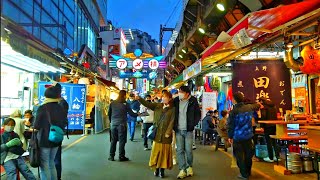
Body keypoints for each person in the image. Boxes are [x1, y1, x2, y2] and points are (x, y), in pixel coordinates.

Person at [136, 91, 175, 178]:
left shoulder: (172, 109)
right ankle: (156, 169)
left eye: (166, 97)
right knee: (156, 153)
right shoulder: (157, 106)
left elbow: (172, 121)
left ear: (170, 99)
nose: (164, 98)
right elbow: (147, 104)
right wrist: (140, 99)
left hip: (166, 136)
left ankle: (162, 171)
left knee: (164, 155)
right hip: (157, 135)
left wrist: (168, 132)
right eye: (163, 97)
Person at [34, 85, 67, 180]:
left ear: (46, 96)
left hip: (45, 139)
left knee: (44, 165)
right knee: (51, 163)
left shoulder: (42, 108)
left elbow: (36, 125)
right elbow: (64, 122)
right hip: (56, 139)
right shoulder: (61, 108)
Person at [228, 92, 261, 179]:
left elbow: (231, 125)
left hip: (237, 137)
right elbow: (257, 105)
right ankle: (248, 172)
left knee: (239, 157)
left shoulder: (233, 111)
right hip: (248, 136)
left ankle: (244, 174)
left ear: (234, 100)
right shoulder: (249, 107)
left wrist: (230, 136)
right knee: (248, 156)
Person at [173, 86, 201, 179]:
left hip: (188, 130)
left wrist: (193, 124)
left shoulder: (193, 101)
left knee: (188, 150)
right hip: (178, 129)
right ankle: (182, 169)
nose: (179, 93)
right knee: (179, 150)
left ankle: (189, 166)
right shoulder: (176, 100)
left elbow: (197, 114)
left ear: (187, 93)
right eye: (179, 91)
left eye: (181, 92)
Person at [108, 90, 139, 161]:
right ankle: (121, 156)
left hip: (113, 124)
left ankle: (111, 156)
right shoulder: (125, 104)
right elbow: (131, 114)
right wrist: (138, 114)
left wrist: (111, 122)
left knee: (113, 140)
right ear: (124, 95)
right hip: (121, 124)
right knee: (122, 141)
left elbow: (109, 114)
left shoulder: (112, 103)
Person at [259, 97, 279, 163]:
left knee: (268, 142)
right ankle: (277, 157)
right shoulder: (273, 106)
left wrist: (262, 126)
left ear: (261, 101)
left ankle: (271, 157)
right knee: (274, 141)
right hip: (274, 125)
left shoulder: (264, 107)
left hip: (267, 126)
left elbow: (263, 116)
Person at [170, 89, 179, 165]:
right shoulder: (170, 104)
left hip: (176, 126)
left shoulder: (179, 103)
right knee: (172, 143)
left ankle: (173, 158)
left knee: (173, 143)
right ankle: (172, 158)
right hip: (170, 127)